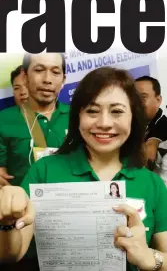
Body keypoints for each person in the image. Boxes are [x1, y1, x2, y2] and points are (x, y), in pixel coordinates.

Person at [0, 67, 167, 271]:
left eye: (117, 111)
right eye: (92, 111)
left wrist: (151, 258)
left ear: (133, 118)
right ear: (77, 117)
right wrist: (7, 222)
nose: (104, 123)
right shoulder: (44, 171)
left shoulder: (152, 183)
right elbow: (11, 254)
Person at [0, 52, 70, 188]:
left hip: (72, 204)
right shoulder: (3, 120)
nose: (47, 79)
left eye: (55, 72)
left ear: (63, 80)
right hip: (23, 206)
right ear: (25, 77)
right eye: (39, 70)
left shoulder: (79, 117)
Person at [135, 76, 167, 169]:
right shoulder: (128, 125)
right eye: (133, 98)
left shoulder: (163, 126)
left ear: (158, 100)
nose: (137, 103)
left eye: (143, 97)